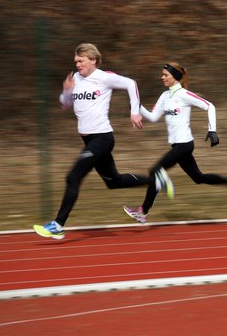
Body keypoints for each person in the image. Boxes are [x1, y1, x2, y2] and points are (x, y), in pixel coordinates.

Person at [33, 43, 172, 240]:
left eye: (81, 61)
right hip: (89, 140)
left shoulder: (104, 77)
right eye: (76, 61)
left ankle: (57, 224)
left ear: (93, 60)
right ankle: (156, 180)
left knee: (73, 177)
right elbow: (65, 105)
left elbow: (131, 84)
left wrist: (134, 112)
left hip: (102, 138)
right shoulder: (75, 79)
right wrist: (66, 91)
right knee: (113, 181)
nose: (77, 64)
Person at [123, 62, 227, 224]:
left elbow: (210, 106)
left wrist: (212, 130)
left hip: (185, 144)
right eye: (162, 74)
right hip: (176, 146)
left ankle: (143, 211)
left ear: (175, 77)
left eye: (165, 75)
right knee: (198, 177)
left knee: (155, 171)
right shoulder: (164, 96)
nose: (162, 77)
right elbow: (153, 117)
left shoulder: (184, 94)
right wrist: (137, 107)